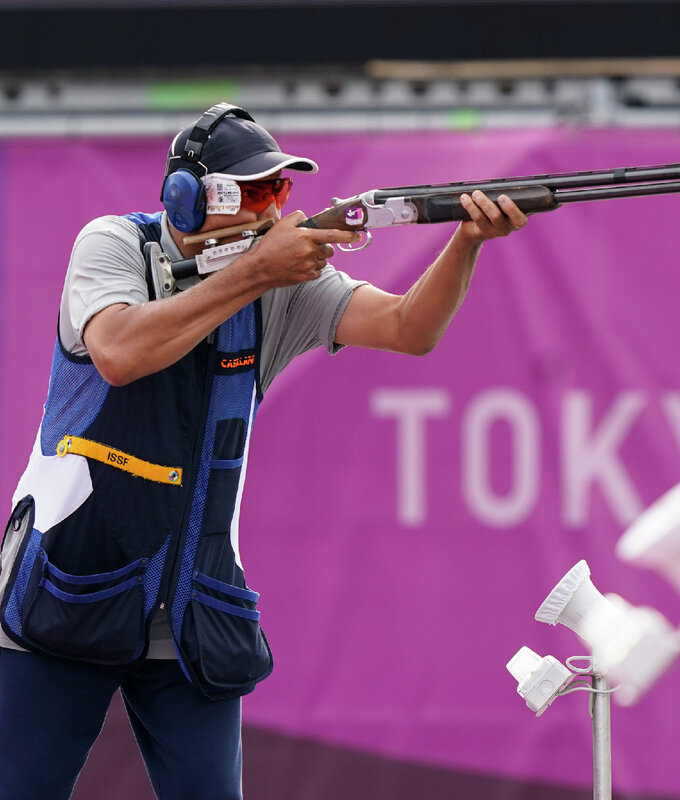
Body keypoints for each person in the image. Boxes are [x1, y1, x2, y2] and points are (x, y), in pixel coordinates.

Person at [0, 102, 528, 799]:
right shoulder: (113, 245)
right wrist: (257, 271)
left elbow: (408, 327)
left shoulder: (282, 282)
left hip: (194, 607)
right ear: (187, 200)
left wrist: (465, 242)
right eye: (250, 193)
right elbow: (121, 352)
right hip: (66, 588)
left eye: (277, 191)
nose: (271, 209)